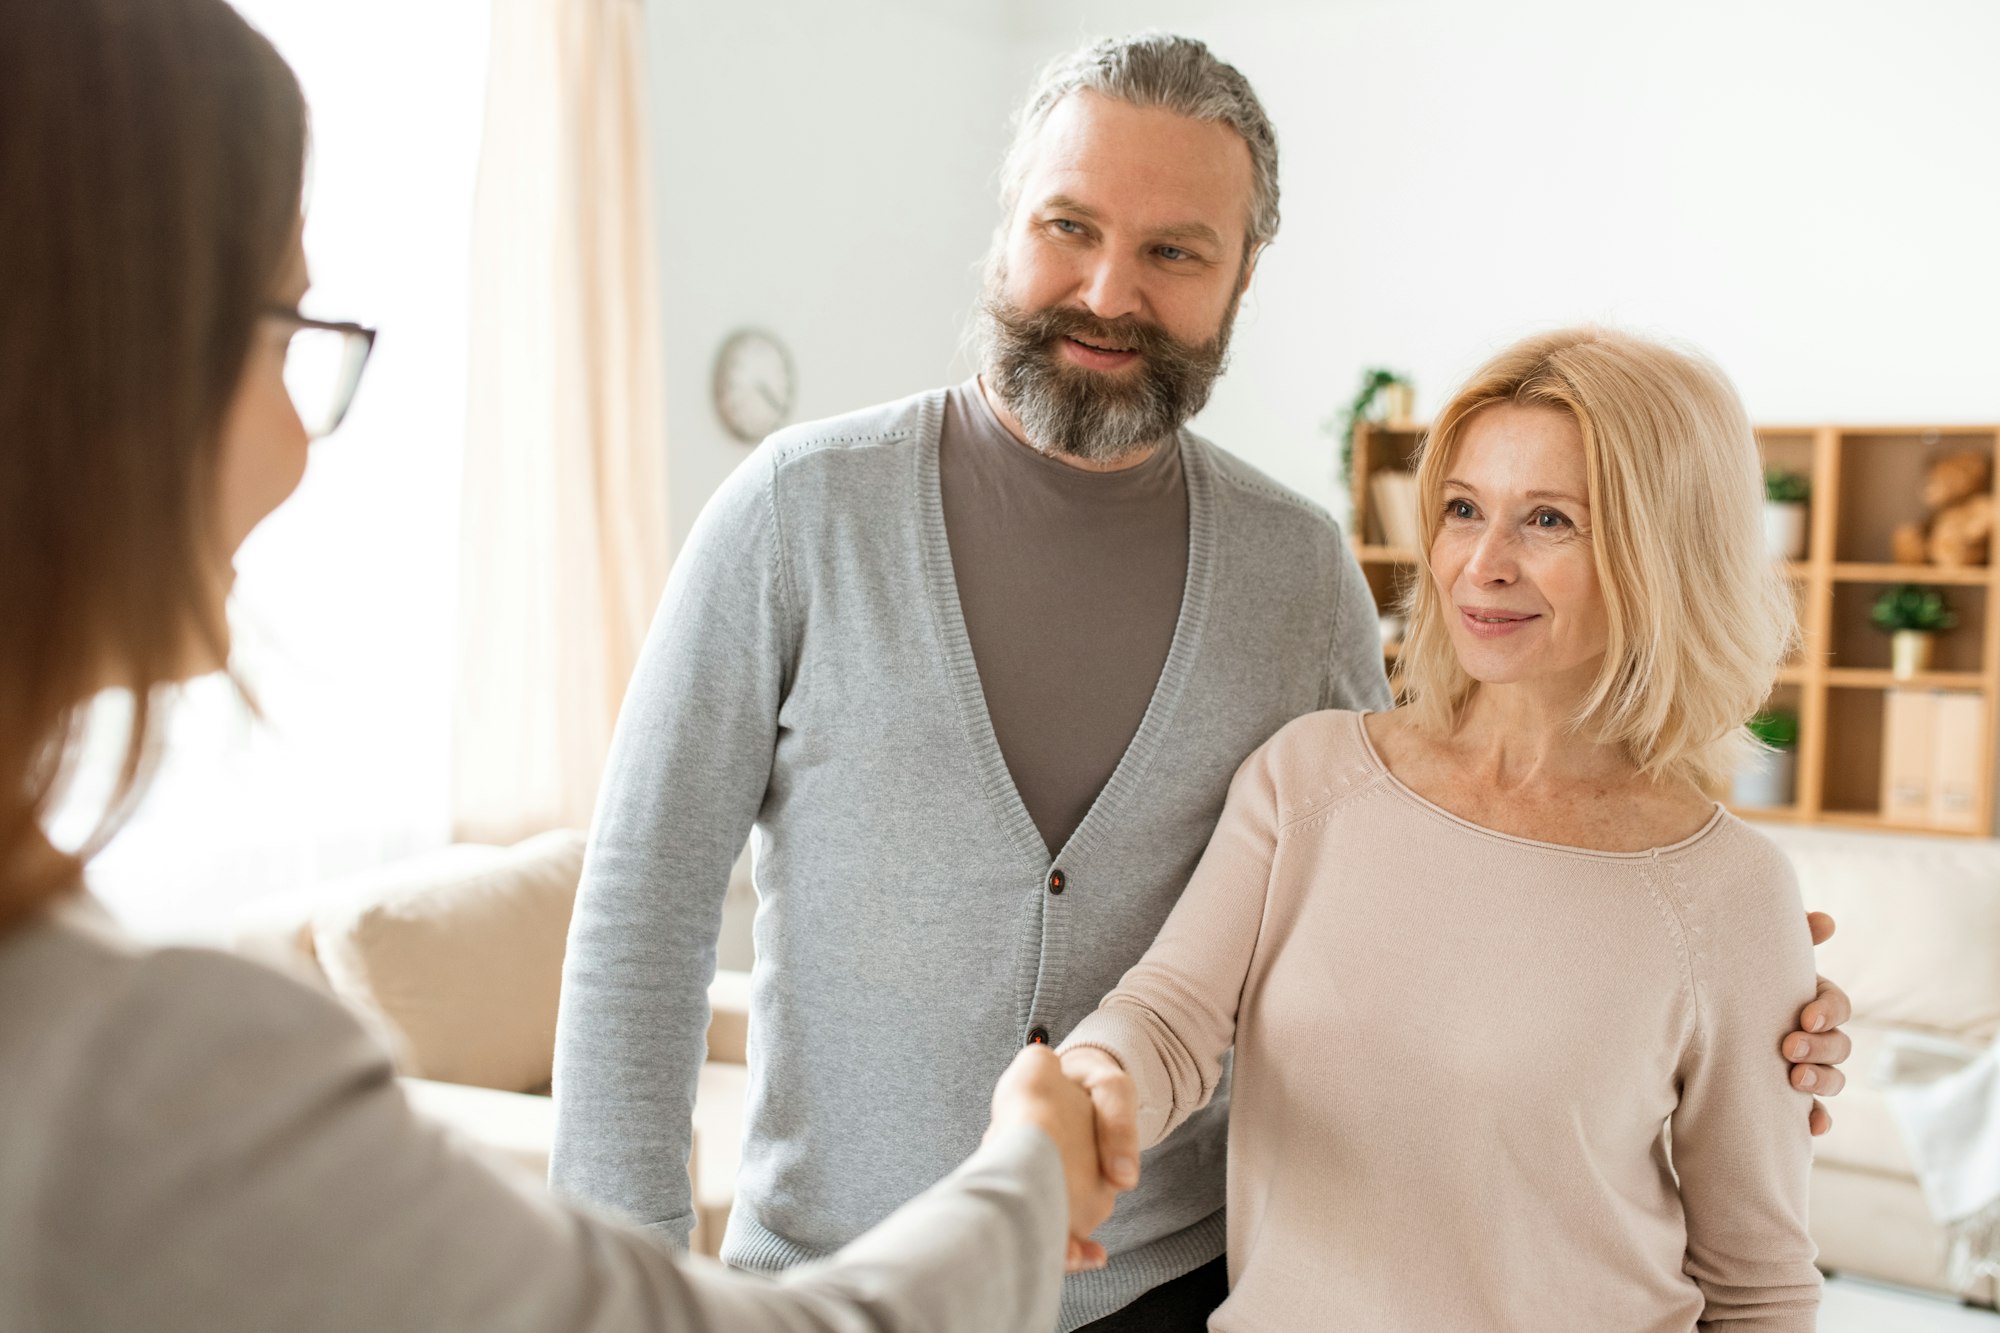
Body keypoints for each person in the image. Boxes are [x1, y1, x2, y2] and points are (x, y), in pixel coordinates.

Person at [550, 33, 1854, 1333]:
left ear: (1239, 278)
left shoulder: (1299, 576)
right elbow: (640, 918)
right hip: (841, 1284)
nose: (1110, 291)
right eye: (1069, 226)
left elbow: (1417, 895)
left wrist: (1721, 990)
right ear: (1005, 225)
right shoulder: (798, 513)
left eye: (1176, 251)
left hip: (1173, 1294)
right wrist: (620, 1286)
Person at [0, 2, 1122, 1329]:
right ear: (95, 354)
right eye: (285, 325)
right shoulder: (149, 1071)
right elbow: (642, 907)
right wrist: (1025, 1180)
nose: (301, 448)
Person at [1056, 327, 1825, 1329]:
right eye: (1462, 509)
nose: (1482, 563)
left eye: (1547, 519)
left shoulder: (1724, 888)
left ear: (1658, 549)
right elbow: (1165, 1021)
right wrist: (1083, 1090)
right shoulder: (1308, 779)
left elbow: (1756, 1279)